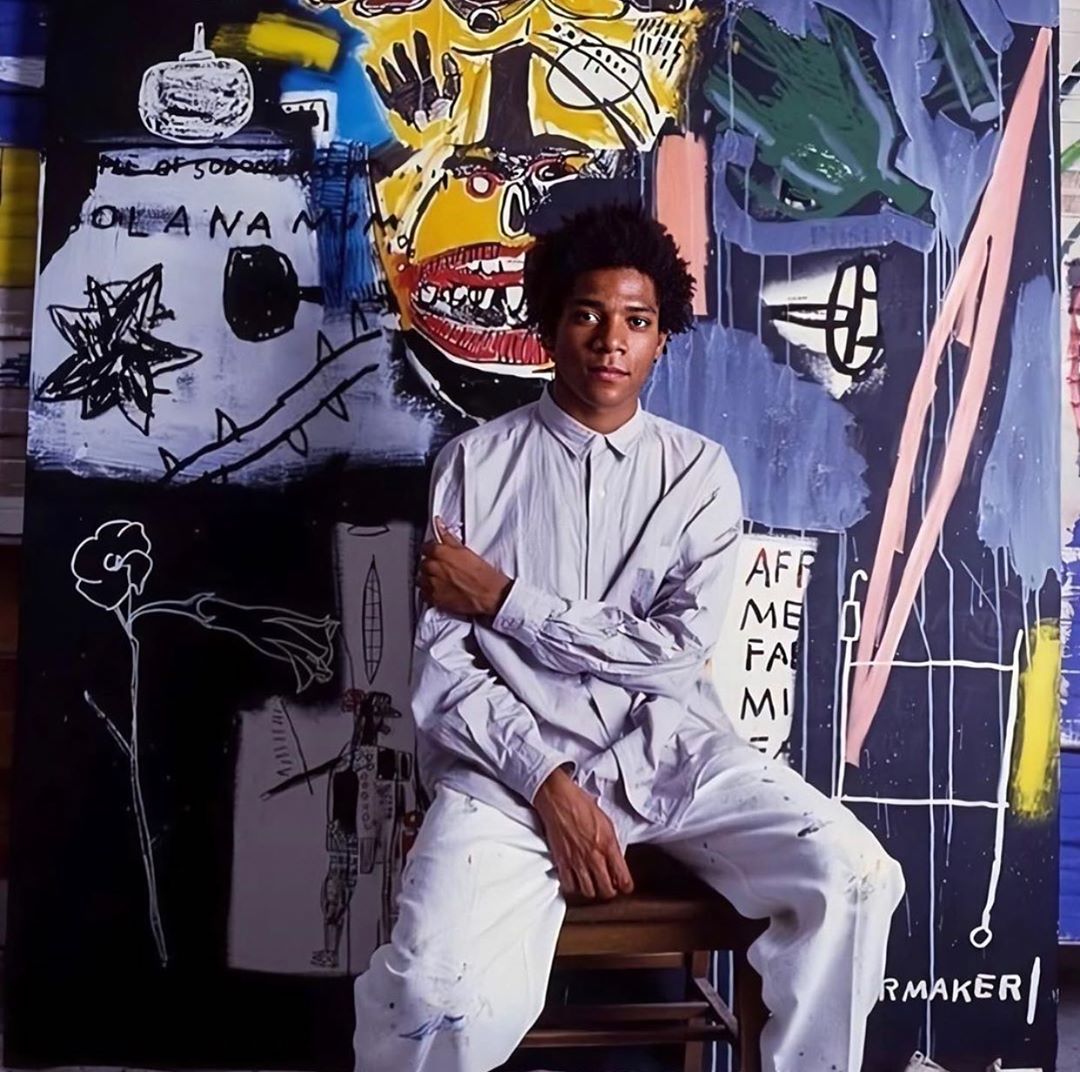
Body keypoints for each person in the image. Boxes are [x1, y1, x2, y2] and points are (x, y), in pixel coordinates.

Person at [352, 203, 905, 1072]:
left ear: (661, 338)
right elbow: (448, 672)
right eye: (588, 314)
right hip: (509, 779)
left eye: (636, 321)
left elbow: (675, 652)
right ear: (550, 325)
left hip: (673, 757)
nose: (612, 340)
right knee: (427, 995)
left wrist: (505, 601)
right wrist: (549, 787)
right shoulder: (475, 465)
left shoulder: (699, 474)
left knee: (856, 876)